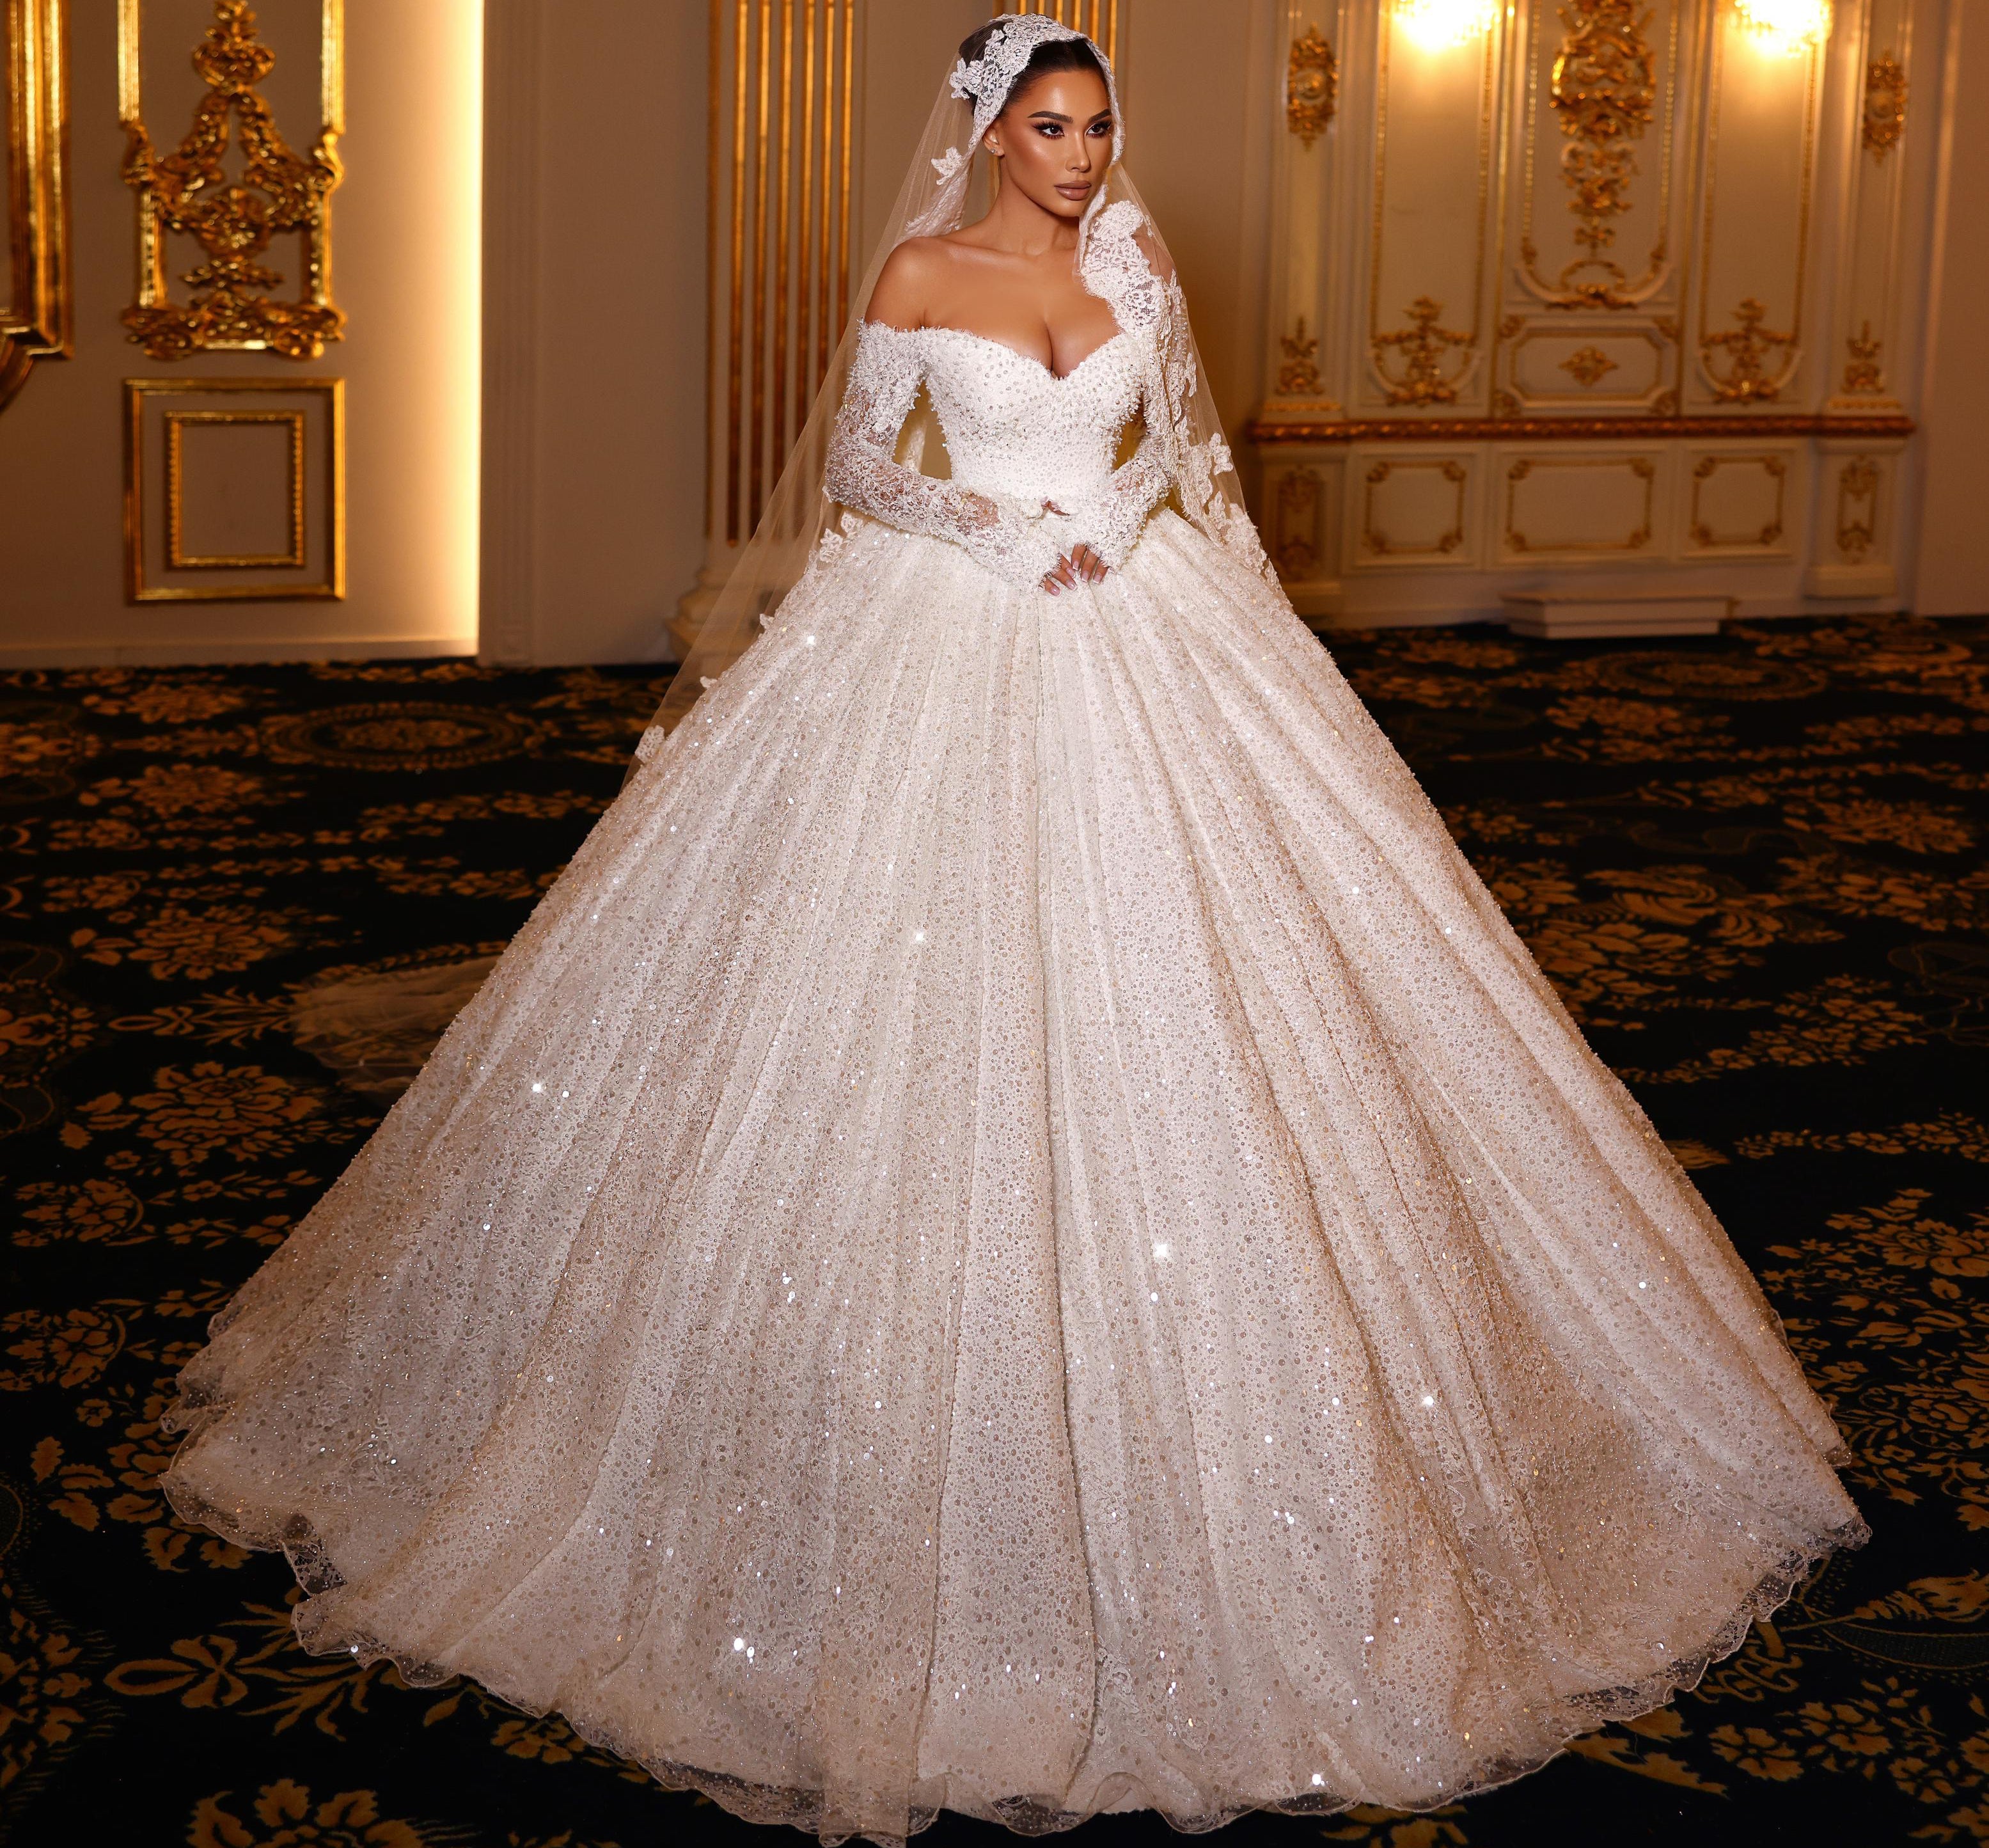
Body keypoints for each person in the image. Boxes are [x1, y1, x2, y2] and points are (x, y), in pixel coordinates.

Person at [162, 17, 1866, 1845]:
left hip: (1145, 625)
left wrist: (1122, 511)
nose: (1079, 152)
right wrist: (990, 526)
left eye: (1098, 122)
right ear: (987, 133)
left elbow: (1194, 455)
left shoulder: (1137, 260)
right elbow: (857, 470)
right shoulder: (923, 266)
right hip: (950, 625)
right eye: (1048, 123)